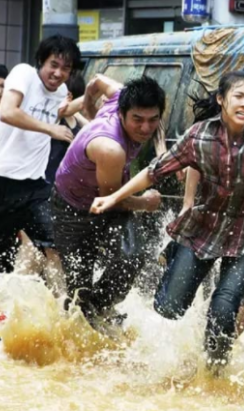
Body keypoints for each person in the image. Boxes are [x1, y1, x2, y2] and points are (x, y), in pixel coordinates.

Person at [90, 71, 244, 368]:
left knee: (223, 309)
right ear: (221, 99)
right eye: (239, 96)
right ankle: (176, 252)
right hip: (202, 228)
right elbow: (154, 171)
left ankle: (213, 371)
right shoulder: (200, 135)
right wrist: (114, 198)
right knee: (169, 308)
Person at [52, 74, 164, 326]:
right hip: (72, 206)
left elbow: (97, 80)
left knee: (132, 256)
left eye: (152, 120)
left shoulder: (120, 95)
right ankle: (83, 321)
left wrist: (87, 106)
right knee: (79, 287)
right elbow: (112, 199)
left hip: (111, 189)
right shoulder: (110, 148)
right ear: (122, 114)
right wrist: (145, 203)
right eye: (137, 120)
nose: (146, 128)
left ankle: (98, 310)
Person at [0, 35, 81, 273]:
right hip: (3, 179)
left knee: (55, 245)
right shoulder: (24, 73)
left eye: (66, 68)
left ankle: (64, 306)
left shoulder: (62, 92)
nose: (58, 73)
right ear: (41, 62)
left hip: (35, 186)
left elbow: (74, 114)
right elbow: (6, 112)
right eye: (53, 65)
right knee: (4, 258)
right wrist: (51, 129)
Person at [15, 73, 88, 290]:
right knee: (36, 256)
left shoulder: (78, 125)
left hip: (59, 200)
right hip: (39, 197)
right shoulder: (50, 119)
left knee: (43, 258)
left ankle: (56, 309)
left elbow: (90, 124)